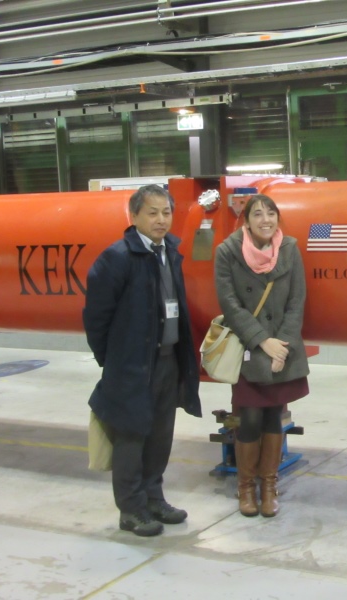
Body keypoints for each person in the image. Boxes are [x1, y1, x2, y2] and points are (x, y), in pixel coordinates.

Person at [83, 184, 202, 537]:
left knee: (161, 435)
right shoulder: (117, 258)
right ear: (133, 216)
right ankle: (131, 509)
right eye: (152, 213)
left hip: (167, 362)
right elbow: (96, 319)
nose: (161, 220)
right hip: (132, 366)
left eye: (166, 212)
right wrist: (114, 361)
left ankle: (154, 498)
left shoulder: (170, 252)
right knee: (131, 437)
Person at [214, 194, 310, 518]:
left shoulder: (289, 250)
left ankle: (268, 486)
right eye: (258, 214)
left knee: (273, 417)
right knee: (249, 418)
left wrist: (281, 344)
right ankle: (245, 487)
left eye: (271, 213)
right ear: (247, 220)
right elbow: (230, 304)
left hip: (283, 349)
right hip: (248, 348)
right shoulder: (227, 252)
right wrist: (261, 341)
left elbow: (297, 300)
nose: (265, 219)